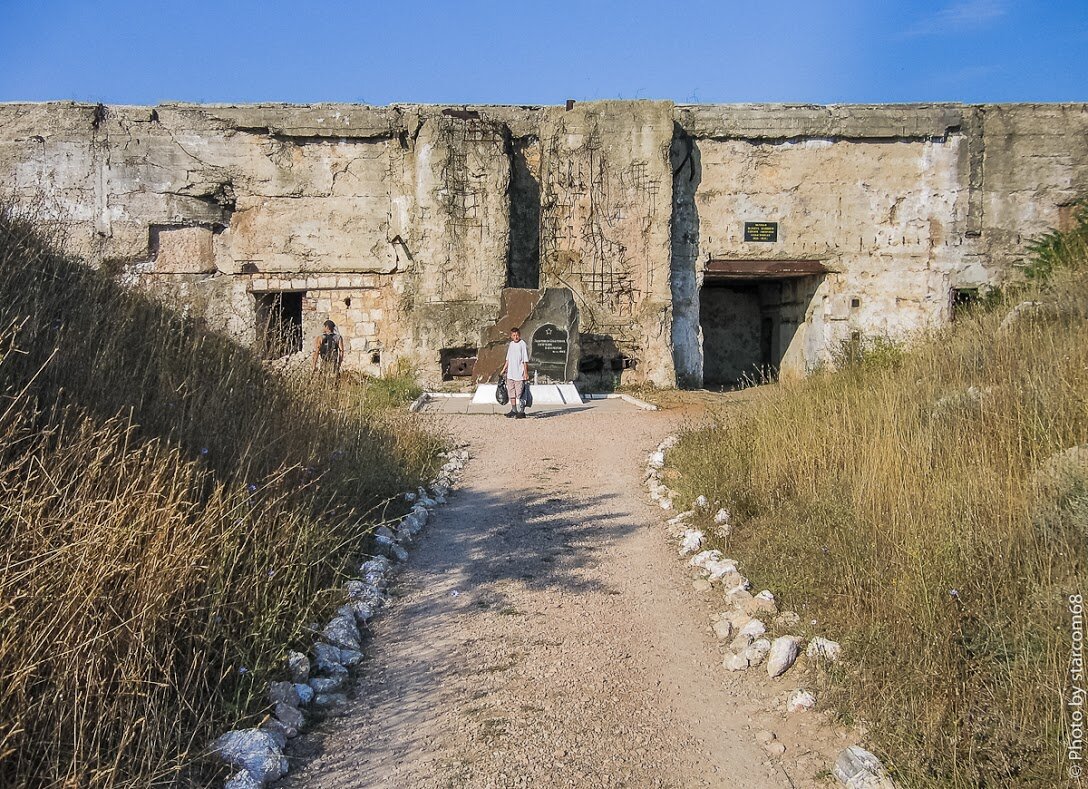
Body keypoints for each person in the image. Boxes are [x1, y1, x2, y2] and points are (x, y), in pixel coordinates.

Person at [500, 326, 529, 419]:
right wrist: (504, 369)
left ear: (519, 335)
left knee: (520, 393)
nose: (516, 337)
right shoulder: (511, 344)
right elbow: (508, 359)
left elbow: (524, 359)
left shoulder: (522, 344)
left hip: (519, 373)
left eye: (517, 335)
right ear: (511, 336)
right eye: (514, 335)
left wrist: (525, 372)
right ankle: (513, 410)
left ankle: (521, 411)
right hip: (511, 373)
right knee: (511, 392)